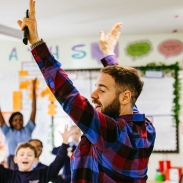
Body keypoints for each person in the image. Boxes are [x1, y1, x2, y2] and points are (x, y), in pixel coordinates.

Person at [17, 0, 156, 182]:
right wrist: (108, 55)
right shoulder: (145, 128)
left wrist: (36, 43)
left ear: (125, 97)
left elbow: (70, 97)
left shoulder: (114, 134)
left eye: (102, 89)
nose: (93, 95)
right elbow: (125, 95)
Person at [0, 126, 71, 183]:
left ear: (35, 159)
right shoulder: (8, 175)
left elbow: (58, 163)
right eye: (22, 154)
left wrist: (65, 141)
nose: (25, 157)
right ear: (15, 159)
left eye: (29, 155)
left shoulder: (41, 174)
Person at [0, 78, 37, 169]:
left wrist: (33, 89)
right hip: (12, 160)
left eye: (20, 119)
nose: (18, 122)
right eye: (15, 120)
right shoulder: (7, 131)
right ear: (11, 122)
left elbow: (34, 110)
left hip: (27, 159)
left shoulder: (28, 129)